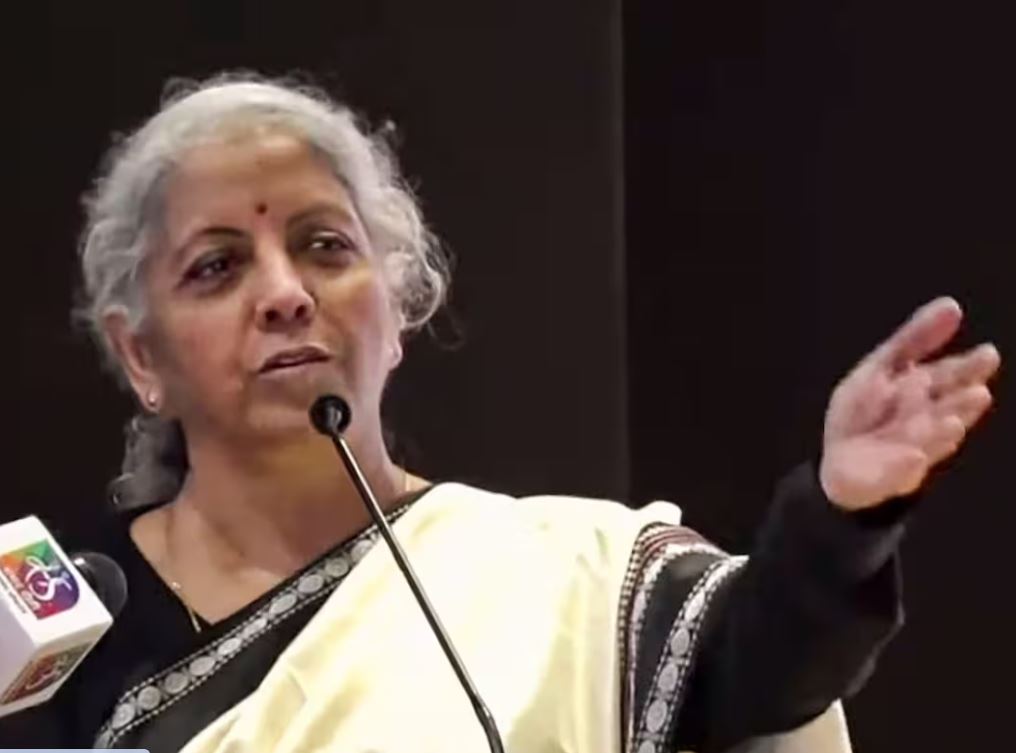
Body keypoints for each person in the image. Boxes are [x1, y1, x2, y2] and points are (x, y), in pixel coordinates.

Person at [0, 73, 1000, 753]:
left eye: (324, 246)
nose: (285, 293)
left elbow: (770, 664)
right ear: (141, 356)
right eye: (217, 266)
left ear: (397, 309)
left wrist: (839, 516)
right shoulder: (45, 623)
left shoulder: (564, 579)